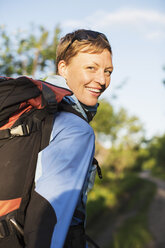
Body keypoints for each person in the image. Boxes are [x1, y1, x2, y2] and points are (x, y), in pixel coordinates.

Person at [24, 29, 113, 248]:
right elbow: (47, 221)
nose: (102, 80)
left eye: (108, 71)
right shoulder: (75, 129)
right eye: (90, 68)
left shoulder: (36, 109)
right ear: (63, 68)